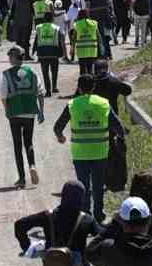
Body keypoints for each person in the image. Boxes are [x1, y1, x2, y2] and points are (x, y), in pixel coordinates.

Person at [52, 73, 125, 223]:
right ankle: (99, 214)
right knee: (98, 185)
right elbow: (118, 127)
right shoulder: (103, 103)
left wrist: (60, 137)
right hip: (100, 152)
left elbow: (58, 126)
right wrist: (120, 138)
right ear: (94, 87)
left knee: (83, 185)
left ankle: (85, 215)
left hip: (80, 153)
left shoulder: (72, 104)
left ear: (78, 88)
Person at [0, 46, 44, 188]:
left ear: (13, 58)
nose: (9, 59)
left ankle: (22, 179)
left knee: (17, 145)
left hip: (14, 112)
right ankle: (32, 165)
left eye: (9, 56)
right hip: (30, 111)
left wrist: (7, 110)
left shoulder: (7, 74)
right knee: (29, 142)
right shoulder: (32, 72)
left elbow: (3, 96)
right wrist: (41, 111)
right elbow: (41, 92)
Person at [32, 3, 64, 96]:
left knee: (45, 72)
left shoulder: (39, 27)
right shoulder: (56, 28)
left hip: (42, 52)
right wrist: (62, 52)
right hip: (54, 52)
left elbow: (36, 40)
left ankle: (48, 91)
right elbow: (60, 40)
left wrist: (33, 50)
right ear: (52, 19)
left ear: (44, 19)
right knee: (54, 71)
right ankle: (54, 87)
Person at [71, 5, 100, 77]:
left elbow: (74, 37)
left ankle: (83, 85)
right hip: (92, 49)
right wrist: (99, 47)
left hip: (81, 50)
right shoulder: (94, 23)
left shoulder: (77, 24)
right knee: (90, 69)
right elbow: (98, 36)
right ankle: (91, 84)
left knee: (82, 69)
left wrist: (72, 48)